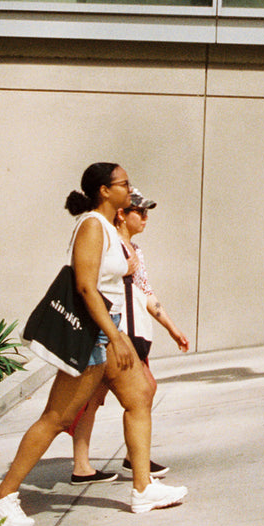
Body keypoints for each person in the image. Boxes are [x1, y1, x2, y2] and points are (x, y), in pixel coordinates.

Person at [0, 164, 187, 526]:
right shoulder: (91, 225)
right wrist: (116, 336)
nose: (130, 188)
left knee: (140, 396)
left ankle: (142, 489)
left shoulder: (107, 226)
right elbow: (86, 287)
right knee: (57, 418)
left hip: (109, 331)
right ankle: (1, 497)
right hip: (95, 335)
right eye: (125, 184)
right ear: (105, 191)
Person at [68, 188, 190, 484]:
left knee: (127, 395)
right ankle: (98, 466)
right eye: (141, 212)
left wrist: (171, 327)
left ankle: (126, 460)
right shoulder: (108, 244)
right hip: (114, 334)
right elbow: (89, 285)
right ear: (123, 214)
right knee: (105, 398)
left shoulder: (135, 251)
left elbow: (145, 293)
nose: (146, 219)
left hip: (132, 335)